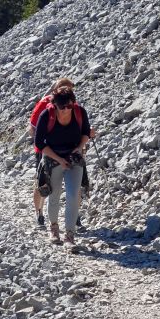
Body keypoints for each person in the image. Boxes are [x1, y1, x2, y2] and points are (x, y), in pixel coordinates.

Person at [34, 84, 91, 245]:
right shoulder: (47, 115)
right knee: (55, 195)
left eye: (69, 106)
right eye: (62, 106)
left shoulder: (80, 112)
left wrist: (79, 149)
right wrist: (59, 160)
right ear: (55, 105)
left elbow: (86, 133)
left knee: (73, 195)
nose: (66, 110)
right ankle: (54, 228)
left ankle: (70, 235)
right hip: (53, 158)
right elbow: (39, 142)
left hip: (74, 156)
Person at [29, 77, 75, 227]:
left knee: (73, 183)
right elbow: (32, 129)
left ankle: (76, 214)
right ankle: (39, 212)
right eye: (64, 89)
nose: (67, 92)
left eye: (69, 89)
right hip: (45, 150)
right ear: (56, 90)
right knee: (42, 182)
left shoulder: (72, 104)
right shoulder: (44, 104)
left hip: (67, 149)